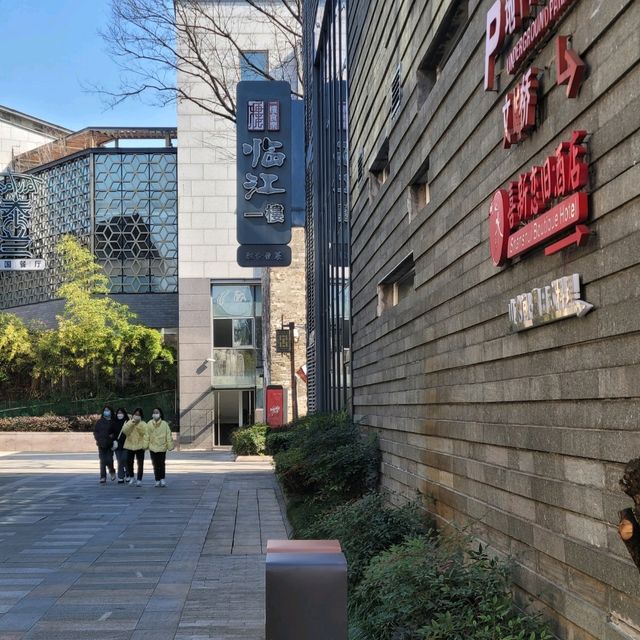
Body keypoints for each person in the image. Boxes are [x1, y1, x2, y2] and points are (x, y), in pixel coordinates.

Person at [146, 407, 174, 488]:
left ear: (160, 414)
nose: (155, 414)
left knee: (161, 463)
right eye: (154, 412)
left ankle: (162, 478)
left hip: (162, 447)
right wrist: (145, 445)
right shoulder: (149, 423)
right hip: (152, 447)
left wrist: (170, 445)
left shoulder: (164, 424)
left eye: (157, 412)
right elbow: (146, 436)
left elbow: (168, 435)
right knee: (155, 464)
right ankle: (157, 479)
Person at [122, 408, 147, 486]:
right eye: (135, 414)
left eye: (138, 415)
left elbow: (145, 433)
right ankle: (132, 477)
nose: (137, 416)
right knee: (129, 462)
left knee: (140, 463)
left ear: (141, 416)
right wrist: (132, 422)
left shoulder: (143, 424)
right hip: (130, 445)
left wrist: (138, 426)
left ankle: (139, 479)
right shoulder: (129, 422)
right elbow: (125, 431)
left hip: (140, 446)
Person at [93, 406, 117, 484]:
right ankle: (103, 477)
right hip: (101, 444)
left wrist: (112, 437)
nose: (106, 412)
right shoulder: (99, 422)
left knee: (109, 459)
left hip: (109, 444)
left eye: (108, 410)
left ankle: (112, 471)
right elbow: (95, 431)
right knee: (102, 461)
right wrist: (98, 438)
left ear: (111, 412)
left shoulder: (113, 422)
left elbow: (116, 432)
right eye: (105, 410)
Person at [113, 407, 130, 484]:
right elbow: (111, 433)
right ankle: (120, 477)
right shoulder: (114, 422)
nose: (119, 414)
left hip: (126, 444)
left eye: (121, 413)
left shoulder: (128, 422)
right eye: (118, 413)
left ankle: (128, 474)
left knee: (125, 460)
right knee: (119, 461)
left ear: (124, 413)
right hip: (117, 444)